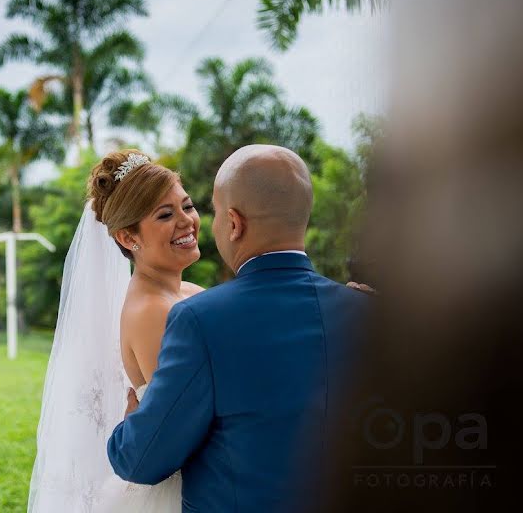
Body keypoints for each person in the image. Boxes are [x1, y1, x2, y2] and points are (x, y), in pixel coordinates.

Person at [107, 144, 371, 512]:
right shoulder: (372, 314)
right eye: (167, 213)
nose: (192, 221)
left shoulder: (200, 318)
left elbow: (145, 457)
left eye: (199, 209)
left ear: (234, 223)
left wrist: (128, 429)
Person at [28, 149, 202, 512]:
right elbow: (185, 420)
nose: (186, 221)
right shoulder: (151, 310)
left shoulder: (187, 294)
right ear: (128, 238)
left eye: (187, 206)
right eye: (166, 215)